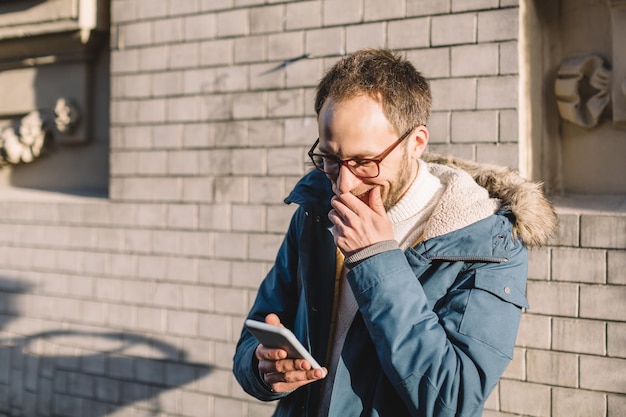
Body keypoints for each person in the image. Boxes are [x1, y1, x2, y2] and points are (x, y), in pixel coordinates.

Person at [233, 48, 557, 417]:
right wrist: (262, 368)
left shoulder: (488, 244)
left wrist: (376, 259)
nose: (343, 184)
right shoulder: (316, 207)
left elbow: (452, 401)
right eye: (330, 159)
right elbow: (256, 331)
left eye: (364, 162)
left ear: (416, 142)